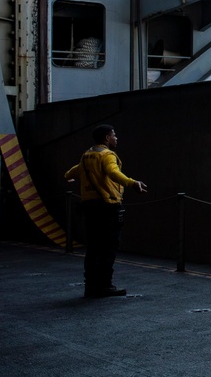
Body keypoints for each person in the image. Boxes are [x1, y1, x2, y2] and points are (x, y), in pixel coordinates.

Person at [64, 125, 147, 298]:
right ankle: (105, 286)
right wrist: (132, 183)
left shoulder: (87, 155)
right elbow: (113, 172)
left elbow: (72, 172)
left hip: (90, 207)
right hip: (107, 206)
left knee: (94, 247)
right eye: (114, 135)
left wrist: (68, 177)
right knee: (109, 246)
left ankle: (91, 286)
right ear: (107, 138)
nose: (116, 138)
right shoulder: (107, 155)